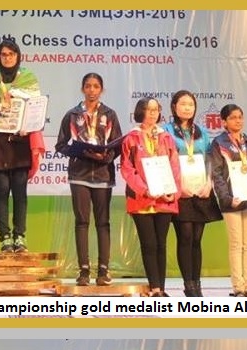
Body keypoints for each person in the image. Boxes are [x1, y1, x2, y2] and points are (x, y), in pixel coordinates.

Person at [0, 39, 45, 253]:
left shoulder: (28, 77)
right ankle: (4, 237)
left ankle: (20, 236)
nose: (7, 58)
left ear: (18, 56)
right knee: (2, 189)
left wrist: (27, 123)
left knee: (20, 190)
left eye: (11, 54)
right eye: (4, 54)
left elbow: (35, 105)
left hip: (20, 140)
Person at [55, 73, 123, 287]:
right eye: (88, 86)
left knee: (103, 223)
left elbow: (117, 145)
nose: (92, 90)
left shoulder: (110, 114)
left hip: (103, 175)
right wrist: (79, 152)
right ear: (82, 89)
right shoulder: (72, 115)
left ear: (101, 89)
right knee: (82, 222)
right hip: (79, 176)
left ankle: (103, 270)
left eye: (96, 86)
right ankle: (83, 271)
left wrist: (106, 157)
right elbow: (60, 145)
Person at [163, 90, 222, 296]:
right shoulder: (166, 131)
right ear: (174, 107)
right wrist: (178, 186)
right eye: (183, 104)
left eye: (191, 104)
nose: (187, 108)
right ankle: (188, 284)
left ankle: (197, 285)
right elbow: (164, 160)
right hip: (181, 191)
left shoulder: (202, 132)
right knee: (185, 236)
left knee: (197, 239)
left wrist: (209, 183)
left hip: (201, 190)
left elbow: (209, 159)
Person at [120, 98, 181, 296]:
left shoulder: (166, 137)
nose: (153, 113)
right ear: (141, 112)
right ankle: (154, 287)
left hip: (165, 199)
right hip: (142, 199)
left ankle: (161, 289)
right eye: (148, 109)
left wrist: (173, 192)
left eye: (156, 109)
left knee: (161, 244)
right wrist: (144, 189)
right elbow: (127, 169)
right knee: (149, 244)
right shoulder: (131, 138)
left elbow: (175, 166)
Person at [209, 104, 247, 297]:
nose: (238, 120)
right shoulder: (219, 143)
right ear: (224, 122)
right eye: (233, 117)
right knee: (236, 244)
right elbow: (216, 173)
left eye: (240, 117)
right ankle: (238, 287)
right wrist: (226, 198)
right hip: (232, 199)